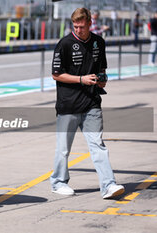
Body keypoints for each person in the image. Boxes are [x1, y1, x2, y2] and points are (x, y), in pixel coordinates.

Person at [50, 8, 125, 199]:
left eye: (82, 27)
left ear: (90, 23)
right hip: (68, 106)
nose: (78, 30)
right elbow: (56, 74)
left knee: (98, 145)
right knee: (63, 149)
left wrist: (102, 80)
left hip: (92, 103)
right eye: (75, 26)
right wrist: (81, 79)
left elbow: (102, 69)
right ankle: (58, 182)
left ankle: (108, 185)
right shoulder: (65, 43)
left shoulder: (99, 42)